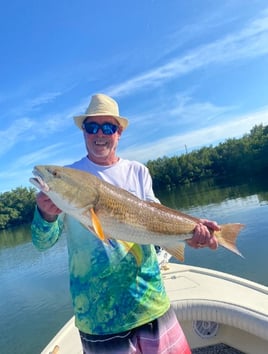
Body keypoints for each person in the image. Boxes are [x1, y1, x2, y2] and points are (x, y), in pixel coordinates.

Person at [31, 93, 220, 354]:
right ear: (84, 132)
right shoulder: (68, 179)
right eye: (91, 126)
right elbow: (42, 242)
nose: (100, 134)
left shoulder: (137, 172)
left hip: (151, 301)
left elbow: (157, 219)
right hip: (99, 316)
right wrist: (46, 215)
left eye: (108, 127)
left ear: (118, 133)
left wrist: (193, 230)